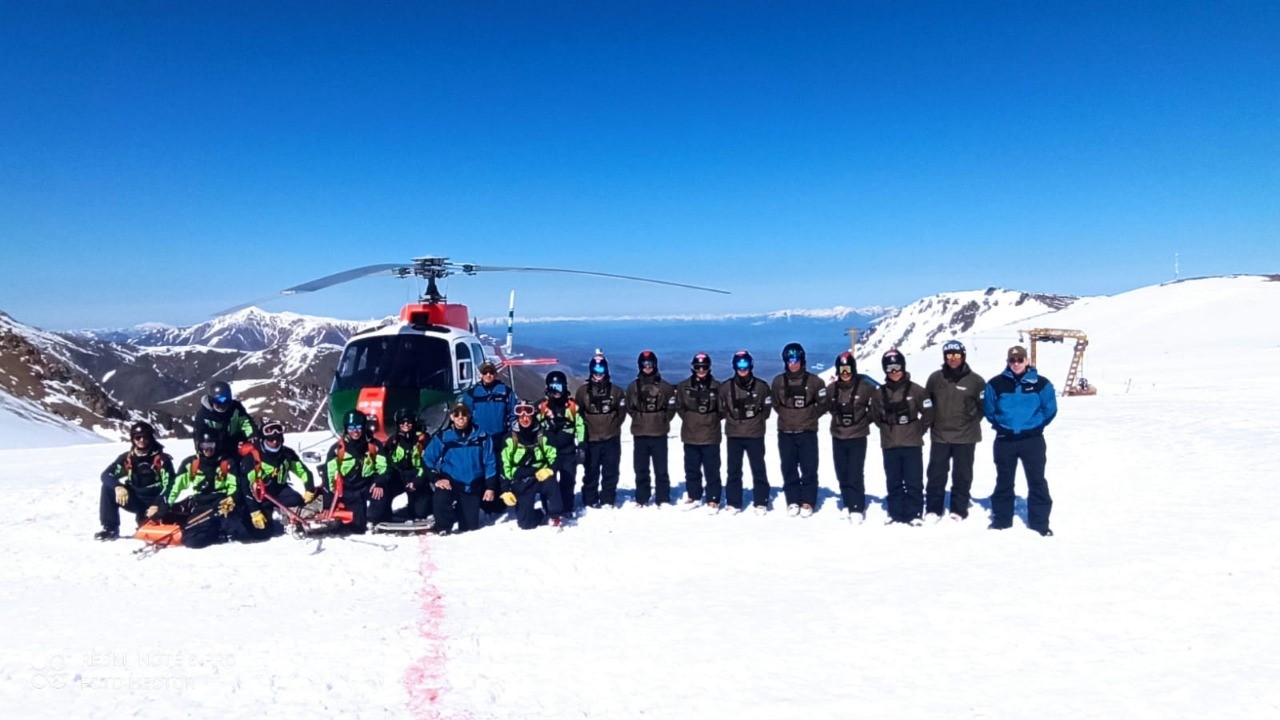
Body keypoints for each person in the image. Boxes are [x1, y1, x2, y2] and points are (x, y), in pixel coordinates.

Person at [983, 345, 1058, 536]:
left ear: (1027, 361)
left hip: (1032, 440)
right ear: (1007, 362)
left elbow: (1049, 409)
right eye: (1012, 360)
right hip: (1005, 440)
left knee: (1037, 481)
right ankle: (1001, 520)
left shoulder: (1042, 384)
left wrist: (1035, 425)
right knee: (1004, 480)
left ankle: (1040, 523)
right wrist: (1002, 426)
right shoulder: (995, 384)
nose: (1016, 364)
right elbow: (989, 410)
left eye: (1020, 360)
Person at [923, 340, 985, 521]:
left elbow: (982, 407)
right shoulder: (935, 378)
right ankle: (934, 508)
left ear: (963, 356)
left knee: (962, 474)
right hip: (940, 435)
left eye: (957, 355)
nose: (953, 359)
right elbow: (928, 403)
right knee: (936, 473)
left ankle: (959, 509)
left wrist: (969, 421)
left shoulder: (976, 381)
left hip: (966, 436)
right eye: (949, 355)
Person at [871, 349, 934, 525]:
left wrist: (919, 429)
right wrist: (887, 429)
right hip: (890, 443)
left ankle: (915, 513)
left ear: (903, 367)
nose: (894, 372)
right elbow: (875, 416)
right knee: (893, 479)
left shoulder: (916, 390)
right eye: (890, 368)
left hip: (912, 443)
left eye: (897, 367)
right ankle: (896, 512)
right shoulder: (879, 393)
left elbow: (928, 412)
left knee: (913, 479)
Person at [155, 428, 245, 548]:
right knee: (178, 520)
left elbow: (234, 486)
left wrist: (232, 498)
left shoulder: (227, 463)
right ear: (198, 445)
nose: (208, 449)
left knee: (193, 540)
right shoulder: (191, 464)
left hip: (221, 505)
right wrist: (165, 505)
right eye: (204, 445)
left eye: (211, 445)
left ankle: (219, 532)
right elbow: (176, 487)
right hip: (201, 504)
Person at [770, 342, 828, 517]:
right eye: (789, 360)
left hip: (807, 431)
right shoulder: (778, 382)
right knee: (789, 467)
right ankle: (793, 500)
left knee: (809, 467)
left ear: (802, 360)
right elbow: (775, 404)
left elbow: (823, 404)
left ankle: (808, 501)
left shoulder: (815, 382)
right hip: (785, 431)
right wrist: (789, 415)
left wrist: (809, 416)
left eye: (796, 359)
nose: (793, 363)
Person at [423, 403, 499, 535]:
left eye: (464, 414)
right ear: (451, 417)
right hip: (451, 481)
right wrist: (437, 478)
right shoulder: (443, 437)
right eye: (456, 414)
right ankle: (443, 527)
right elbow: (427, 459)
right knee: (441, 497)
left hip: (473, 484)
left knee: (469, 527)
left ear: (469, 416)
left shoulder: (482, 437)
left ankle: (463, 512)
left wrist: (490, 487)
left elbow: (490, 462)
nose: (460, 417)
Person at [95, 421, 175, 541]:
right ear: (133, 439)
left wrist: (156, 505)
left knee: (146, 530)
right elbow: (106, 475)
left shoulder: (162, 460)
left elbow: (170, 485)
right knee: (107, 488)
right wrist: (118, 486)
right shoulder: (127, 458)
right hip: (135, 498)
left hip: (154, 501)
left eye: (145, 437)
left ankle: (147, 521)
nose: (141, 440)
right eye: (138, 437)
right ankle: (110, 528)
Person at [719, 350, 773, 513]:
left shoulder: (762, 387)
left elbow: (766, 411)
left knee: (758, 468)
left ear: (751, 365)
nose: (743, 369)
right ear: (734, 366)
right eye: (739, 365)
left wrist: (755, 422)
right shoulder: (726, 387)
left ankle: (761, 500)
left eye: (746, 365)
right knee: (733, 469)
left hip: (755, 434)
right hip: (734, 434)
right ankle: (734, 502)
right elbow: (721, 409)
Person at [826, 352, 877, 522]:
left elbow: (877, 406)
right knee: (842, 472)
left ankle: (857, 506)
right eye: (842, 370)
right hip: (838, 435)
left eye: (848, 369)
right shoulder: (831, 389)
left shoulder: (865, 387)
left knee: (855, 471)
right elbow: (824, 406)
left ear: (853, 369)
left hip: (857, 435)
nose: (845, 373)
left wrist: (864, 420)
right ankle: (847, 503)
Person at [318, 410, 388, 534]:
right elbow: (329, 476)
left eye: (358, 427)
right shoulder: (337, 449)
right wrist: (328, 504)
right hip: (349, 489)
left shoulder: (374, 445)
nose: (355, 431)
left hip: (367, 485)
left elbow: (384, 468)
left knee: (380, 499)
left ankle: (376, 518)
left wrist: (379, 482)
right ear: (346, 429)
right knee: (357, 528)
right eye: (351, 427)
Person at [241, 419, 313, 539]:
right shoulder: (252, 458)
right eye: (270, 439)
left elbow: (303, 472)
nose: (274, 442)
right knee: (262, 532)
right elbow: (245, 486)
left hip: (280, 490)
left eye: (278, 439)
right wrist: (254, 511)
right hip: (259, 497)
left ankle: (291, 519)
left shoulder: (287, 454)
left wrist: (309, 488)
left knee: (296, 500)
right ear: (263, 439)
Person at [463, 362, 517, 516]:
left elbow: (513, 414)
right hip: (480, 438)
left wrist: (511, 433)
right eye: (485, 372)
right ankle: (483, 501)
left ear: (495, 374)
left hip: (500, 436)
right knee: (482, 468)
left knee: (499, 467)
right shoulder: (472, 393)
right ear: (481, 374)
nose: (488, 375)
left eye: (491, 372)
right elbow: (466, 416)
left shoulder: (505, 391)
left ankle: (499, 502)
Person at [574, 353, 627, 509]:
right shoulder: (582, 392)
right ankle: (589, 500)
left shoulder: (616, 391)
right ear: (591, 370)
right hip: (591, 439)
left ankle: (608, 500)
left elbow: (621, 413)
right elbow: (579, 414)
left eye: (601, 369)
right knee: (591, 471)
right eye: (595, 370)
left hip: (611, 438)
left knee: (611, 471)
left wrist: (612, 426)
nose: (598, 374)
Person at [500, 402, 563, 529]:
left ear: (533, 414)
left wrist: (550, 470)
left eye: (528, 413)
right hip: (522, 479)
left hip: (541, 475)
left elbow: (555, 457)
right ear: (517, 416)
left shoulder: (543, 435)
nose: (525, 418)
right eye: (521, 414)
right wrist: (505, 489)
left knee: (551, 484)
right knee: (525, 523)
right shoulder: (509, 438)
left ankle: (554, 514)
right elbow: (504, 464)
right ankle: (539, 515)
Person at [626, 350, 677, 507]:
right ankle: (642, 497)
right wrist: (639, 418)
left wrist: (661, 420)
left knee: (661, 469)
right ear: (640, 365)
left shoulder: (665, 387)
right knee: (641, 468)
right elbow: (629, 407)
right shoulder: (633, 387)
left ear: (655, 364)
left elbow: (672, 407)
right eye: (644, 364)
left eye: (650, 364)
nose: (647, 367)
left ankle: (663, 498)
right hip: (640, 433)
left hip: (659, 433)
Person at [674, 352, 724, 512]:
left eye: (704, 367)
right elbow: (680, 408)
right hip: (690, 435)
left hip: (711, 435)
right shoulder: (683, 387)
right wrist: (690, 419)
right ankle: (694, 496)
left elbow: (722, 410)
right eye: (698, 367)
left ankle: (713, 499)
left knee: (712, 469)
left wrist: (711, 420)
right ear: (693, 368)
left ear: (709, 368)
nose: (701, 370)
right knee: (692, 468)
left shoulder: (718, 387)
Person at [372, 407, 433, 526]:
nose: (406, 424)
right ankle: (381, 513)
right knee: (381, 491)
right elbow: (385, 463)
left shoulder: (423, 439)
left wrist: (418, 481)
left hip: (417, 476)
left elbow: (428, 463)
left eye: (408, 422)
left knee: (420, 512)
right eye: (402, 422)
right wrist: (380, 481)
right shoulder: (394, 440)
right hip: (399, 476)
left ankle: (425, 506)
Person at [537, 371, 585, 517]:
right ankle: (549, 507)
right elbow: (535, 428)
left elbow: (580, 426)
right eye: (553, 387)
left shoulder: (572, 407)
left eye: (559, 387)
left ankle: (567, 507)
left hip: (567, 450)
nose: (557, 391)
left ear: (565, 387)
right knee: (548, 481)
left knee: (568, 480)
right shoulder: (542, 407)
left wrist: (582, 445)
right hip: (548, 453)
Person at [193, 380, 257, 458]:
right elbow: (199, 437)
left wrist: (252, 436)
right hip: (214, 451)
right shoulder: (203, 415)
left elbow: (246, 423)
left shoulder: (236, 408)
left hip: (236, 447)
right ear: (211, 400)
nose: (222, 405)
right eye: (218, 401)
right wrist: (201, 452)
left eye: (225, 401)